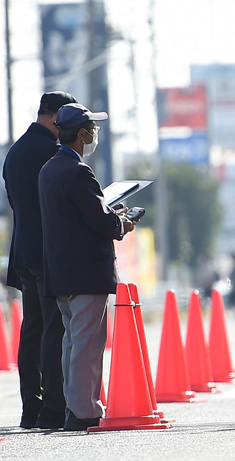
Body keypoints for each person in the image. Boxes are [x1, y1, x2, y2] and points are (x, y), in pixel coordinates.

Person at [38, 103, 137, 431]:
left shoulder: (49, 168)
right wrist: (122, 222)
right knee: (87, 345)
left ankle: (75, 406)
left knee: (72, 341)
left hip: (61, 271)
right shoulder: (78, 171)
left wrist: (109, 215)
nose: (93, 135)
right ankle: (84, 411)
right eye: (91, 130)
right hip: (86, 272)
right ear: (81, 134)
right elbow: (100, 221)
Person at [2, 91, 77, 429]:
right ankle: (54, 407)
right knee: (53, 328)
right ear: (56, 117)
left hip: (23, 252)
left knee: (31, 329)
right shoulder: (53, 153)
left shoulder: (14, 152)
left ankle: (30, 407)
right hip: (49, 252)